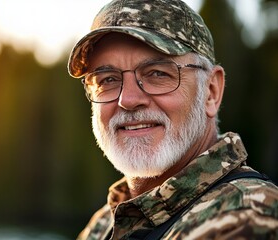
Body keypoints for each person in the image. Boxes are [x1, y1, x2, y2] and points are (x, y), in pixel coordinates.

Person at [67, 0, 278, 239]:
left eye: (157, 74)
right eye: (107, 80)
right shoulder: (103, 224)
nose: (128, 99)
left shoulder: (248, 216)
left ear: (211, 91)